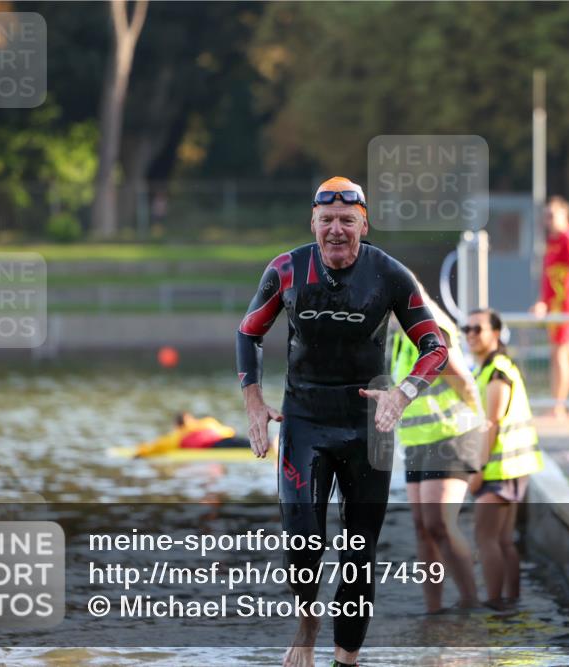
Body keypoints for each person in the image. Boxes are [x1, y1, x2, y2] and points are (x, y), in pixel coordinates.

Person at [237, 176, 448, 667]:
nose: (336, 230)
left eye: (346, 221)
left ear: (363, 224)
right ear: (312, 222)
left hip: (368, 428)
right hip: (305, 421)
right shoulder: (286, 269)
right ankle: (308, 621)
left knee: (359, 552)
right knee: (302, 540)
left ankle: (346, 660)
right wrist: (253, 402)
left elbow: (435, 348)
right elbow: (248, 333)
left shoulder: (390, 275)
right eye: (326, 220)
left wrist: (403, 393)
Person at [390, 284, 482, 613]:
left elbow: (464, 383)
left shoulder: (432, 331)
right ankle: (434, 611)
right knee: (423, 528)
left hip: (450, 436)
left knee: (439, 524)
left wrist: (480, 429)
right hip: (418, 442)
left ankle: (471, 604)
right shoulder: (399, 339)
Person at [463, 308, 543, 609]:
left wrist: (478, 470)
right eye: (466, 328)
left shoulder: (497, 371)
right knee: (504, 540)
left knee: (486, 540)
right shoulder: (489, 368)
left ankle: (494, 606)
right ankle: (510, 603)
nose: (470, 334)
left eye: (477, 329)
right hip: (511, 467)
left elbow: (492, 423)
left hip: (500, 468)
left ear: (495, 334)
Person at [531, 196, 569, 420]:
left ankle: (561, 406)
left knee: (563, 355)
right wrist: (542, 302)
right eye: (546, 216)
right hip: (556, 307)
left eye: (551, 215)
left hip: (568, 306)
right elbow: (547, 278)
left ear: (564, 215)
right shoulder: (551, 241)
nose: (547, 220)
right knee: (567, 355)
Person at [134, 412, 252, 458]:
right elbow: (228, 431)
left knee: (244, 444)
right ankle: (265, 444)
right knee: (245, 443)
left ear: (177, 424)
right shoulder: (204, 422)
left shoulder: (177, 436)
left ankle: (265, 445)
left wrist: (141, 452)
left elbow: (158, 446)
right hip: (223, 440)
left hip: (216, 444)